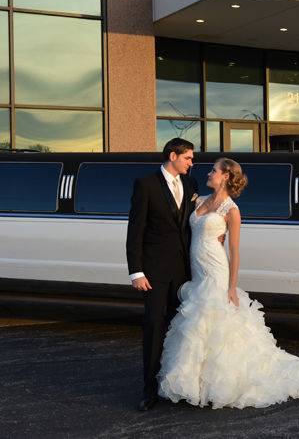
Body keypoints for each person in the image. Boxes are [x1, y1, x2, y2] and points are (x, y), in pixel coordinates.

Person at [157, 158, 299, 409]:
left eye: (213, 170)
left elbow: (234, 251)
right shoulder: (198, 201)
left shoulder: (231, 210)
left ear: (224, 176)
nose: (208, 173)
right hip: (197, 271)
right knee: (196, 325)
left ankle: (218, 383)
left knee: (213, 320)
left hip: (216, 269)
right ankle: (195, 381)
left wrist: (232, 287)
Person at [126, 138, 200, 411]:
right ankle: (149, 390)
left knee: (183, 330)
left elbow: (191, 226)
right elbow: (135, 231)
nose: (192, 163)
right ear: (173, 156)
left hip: (184, 272)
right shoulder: (145, 185)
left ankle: (179, 386)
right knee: (155, 327)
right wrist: (137, 271)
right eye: (188, 158)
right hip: (155, 273)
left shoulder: (191, 185)